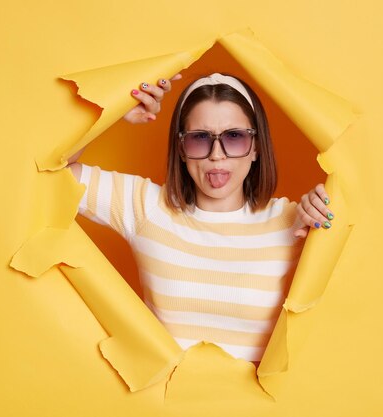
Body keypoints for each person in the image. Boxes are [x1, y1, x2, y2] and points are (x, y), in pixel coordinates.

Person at [68, 73, 334, 362]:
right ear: (181, 148)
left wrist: (325, 211)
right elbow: (54, 172)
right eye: (199, 139)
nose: (216, 155)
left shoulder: (293, 221)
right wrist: (113, 111)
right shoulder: (146, 206)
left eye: (234, 137)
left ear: (256, 147)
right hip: (161, 404)